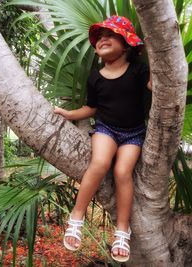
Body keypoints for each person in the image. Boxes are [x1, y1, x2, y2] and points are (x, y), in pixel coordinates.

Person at [54, 15, 152, 263]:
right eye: (99, 37)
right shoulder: (95, 77)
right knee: (99, 164)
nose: (103, 39)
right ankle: (77, 217)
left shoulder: (139, 70)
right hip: (106, 129)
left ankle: (122, 230)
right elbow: (91, 108)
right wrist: (69, 113)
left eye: (111, 35)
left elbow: (157, 86)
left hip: (133, 133)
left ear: (127, 44)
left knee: (122, 172)